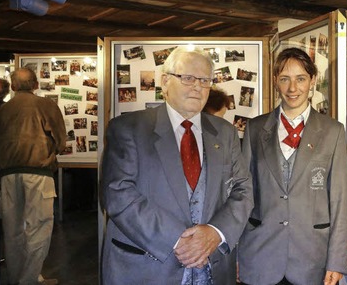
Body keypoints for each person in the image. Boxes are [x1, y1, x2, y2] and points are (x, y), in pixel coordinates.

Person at [101, 46, 253, 285]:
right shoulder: (129, 128)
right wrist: (177, 240)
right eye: (188, 78)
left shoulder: (225, 133)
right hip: (147, 269)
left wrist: (216, 232)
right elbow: (118, 193)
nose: (197, 87)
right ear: (164, 82)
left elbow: (243, 191)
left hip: (212, 270)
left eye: (205, 80)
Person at [238, 47, 347, 285]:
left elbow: (340, 200)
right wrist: (235, 252)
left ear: (313, 81)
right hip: (260, 255)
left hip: (312, 259)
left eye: (300, 79)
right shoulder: (255, 129)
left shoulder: (333, 131)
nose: (292, 88)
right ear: (276, 81)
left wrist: (338, 261)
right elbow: (242, 193)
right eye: (285, 79)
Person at [0, 68, 66, 285]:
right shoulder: (46, 105)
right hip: (38, 173)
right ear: (35, 84)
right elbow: (61, 141)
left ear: (13, 86)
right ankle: (28, 280)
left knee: (12, 229)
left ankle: (18, 278)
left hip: (7, 175)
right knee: (39, 228)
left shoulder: (2, 111)